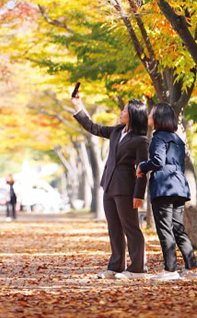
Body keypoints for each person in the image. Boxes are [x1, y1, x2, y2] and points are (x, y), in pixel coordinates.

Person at [71, 92, 149, 279]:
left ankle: (138, 268)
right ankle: (115, 267)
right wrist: (77, 105)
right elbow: (93, 127)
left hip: (126, 188)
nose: (121, 112)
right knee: (114, 228)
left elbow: (142, 169)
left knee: (131, 228)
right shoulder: (116, 131)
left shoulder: (141, 140)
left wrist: (139, 195)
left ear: (134, 114)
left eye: (125, 110)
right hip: (109, 185)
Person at [136, 102, 197, 281]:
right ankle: (193, 269)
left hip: (164, 187)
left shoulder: (158, 138)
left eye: (151, 114)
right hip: (179, 187)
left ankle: (170, 270)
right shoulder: (178, 139)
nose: (148, 116)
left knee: (165, 229)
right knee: (179, 229)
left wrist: (142, 166)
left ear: (158, 118)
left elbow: (157, 161)